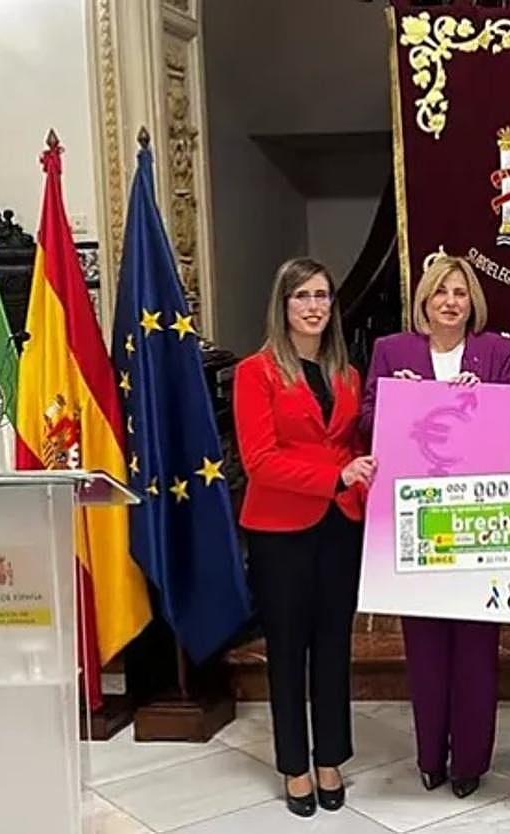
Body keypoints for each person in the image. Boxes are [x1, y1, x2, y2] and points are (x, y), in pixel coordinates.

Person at [359, 255, 510, 799]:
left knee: (476, 649)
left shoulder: (499, 353)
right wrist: (393, 398)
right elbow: (364, 421)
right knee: (424, 648)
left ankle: (470, 761)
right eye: (440, 292)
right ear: (423, 302)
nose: (451, 301)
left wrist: (491, 399)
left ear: (472, 301)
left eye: (460, 292)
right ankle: (430, 756)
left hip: (481, 520)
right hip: (417, 521)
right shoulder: (393, 350)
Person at [233, 257, 376, 818]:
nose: (315, 306)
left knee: (334, 647)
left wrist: (355, 476)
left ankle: (331, 758)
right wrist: (333, 476)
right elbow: (259, 461)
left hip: (338, 525)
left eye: (322, 295)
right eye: (302, 297)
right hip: (279, 531)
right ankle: (295, 764)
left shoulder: (347, 372)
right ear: (283, 305)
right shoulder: (257, 372)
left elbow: (349, 445)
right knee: (288, 652)